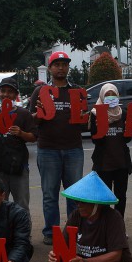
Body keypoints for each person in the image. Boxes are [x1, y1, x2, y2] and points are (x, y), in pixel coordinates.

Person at [29, 51, 86, 245]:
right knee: (49, 194)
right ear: (50, 68)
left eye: (64, 64)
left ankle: (73, 230)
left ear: (68, 67)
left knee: (74, 194)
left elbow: (84, 121)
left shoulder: (77, 91)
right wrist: (39, 114)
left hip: (73, 149)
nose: (61, 68)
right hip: (48, 149)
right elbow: (31, 120)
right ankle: (50, 232)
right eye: (57, 64)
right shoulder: (40, 91)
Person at [0, 77, 37, 211]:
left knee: (22, 205)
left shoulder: (24, 114)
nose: (6, 94)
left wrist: (21, 133)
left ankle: (22, 226)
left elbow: (34, 137)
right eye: (3, 91)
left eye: (10, 91)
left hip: (19, 167)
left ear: (16, 95)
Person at [88, 83, 132, 219]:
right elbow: (95, 140)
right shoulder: (95, 114)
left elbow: (127, 139)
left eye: (113, 95)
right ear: (102, 96)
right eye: (107, 95)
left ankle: (119, 224)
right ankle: (105, 226)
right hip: (104, 164)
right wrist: (99, 128)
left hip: (121, 163)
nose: (111, 97)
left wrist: (128, 129)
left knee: (120, 197)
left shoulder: (123, 114)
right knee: (104, 198)